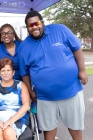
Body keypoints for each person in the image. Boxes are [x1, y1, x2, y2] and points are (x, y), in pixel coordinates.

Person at [18, 10, 88, 140]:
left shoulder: (60, 30)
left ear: (42, 22)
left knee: (75, 126)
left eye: (37, 23)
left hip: (71, 90)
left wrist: (82, 70)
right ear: (27, 28)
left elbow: (77, 48)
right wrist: (30, 90)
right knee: (48, 128)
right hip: (45, 97)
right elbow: (24, 73)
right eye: (30, 25)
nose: (34, 27)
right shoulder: (24, 47)